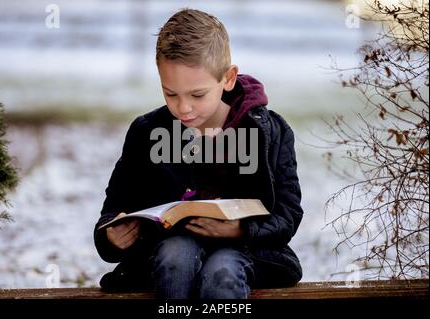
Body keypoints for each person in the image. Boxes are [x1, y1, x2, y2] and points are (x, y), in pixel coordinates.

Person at [94, 8, 303, 299]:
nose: (183, 108)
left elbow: (288, 213)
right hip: (167, 249)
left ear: (228, 78)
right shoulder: (146, 131)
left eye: (197, 95)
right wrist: (112, 237)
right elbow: (115, 207)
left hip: (244, 251)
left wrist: (242, 231)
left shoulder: (270, 132)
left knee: (223, 271)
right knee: (176, 256)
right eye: (170, 94)